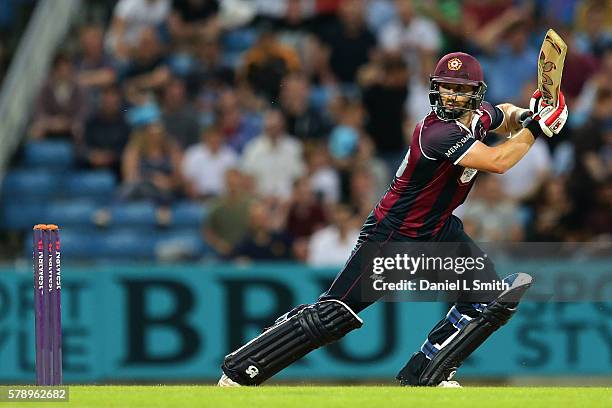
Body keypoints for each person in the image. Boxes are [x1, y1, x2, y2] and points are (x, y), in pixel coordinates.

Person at [217, 52, 568, 387]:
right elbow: (498, 161)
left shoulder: (477, 116)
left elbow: (503, 113)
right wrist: (537, 128)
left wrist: (527, 115)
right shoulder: (436, 132)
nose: (452, 95)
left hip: (436, 230)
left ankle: (426, 373)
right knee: (334, 314)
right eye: (447, 86)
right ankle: (240, 368)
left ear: (476, 95)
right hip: (393, 236)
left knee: (485, 296)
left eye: (461, 89)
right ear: (435, 88)